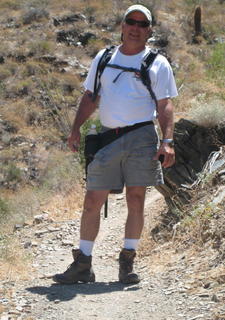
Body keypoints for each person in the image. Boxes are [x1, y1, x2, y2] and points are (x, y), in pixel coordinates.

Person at [53, 4, 178, 285]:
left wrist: (167, 141)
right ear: (122, 26)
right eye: (131, 22)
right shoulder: (104, 57)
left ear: (149, 30)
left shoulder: (157, 63)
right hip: (107, 136)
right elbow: (90, 96)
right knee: (92, 200)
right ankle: (83, 264)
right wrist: (75, 129)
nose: (135, 28)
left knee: (136, 198)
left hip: (142, 136)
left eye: (142, 24)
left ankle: (127, 262)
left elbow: (165, 104)